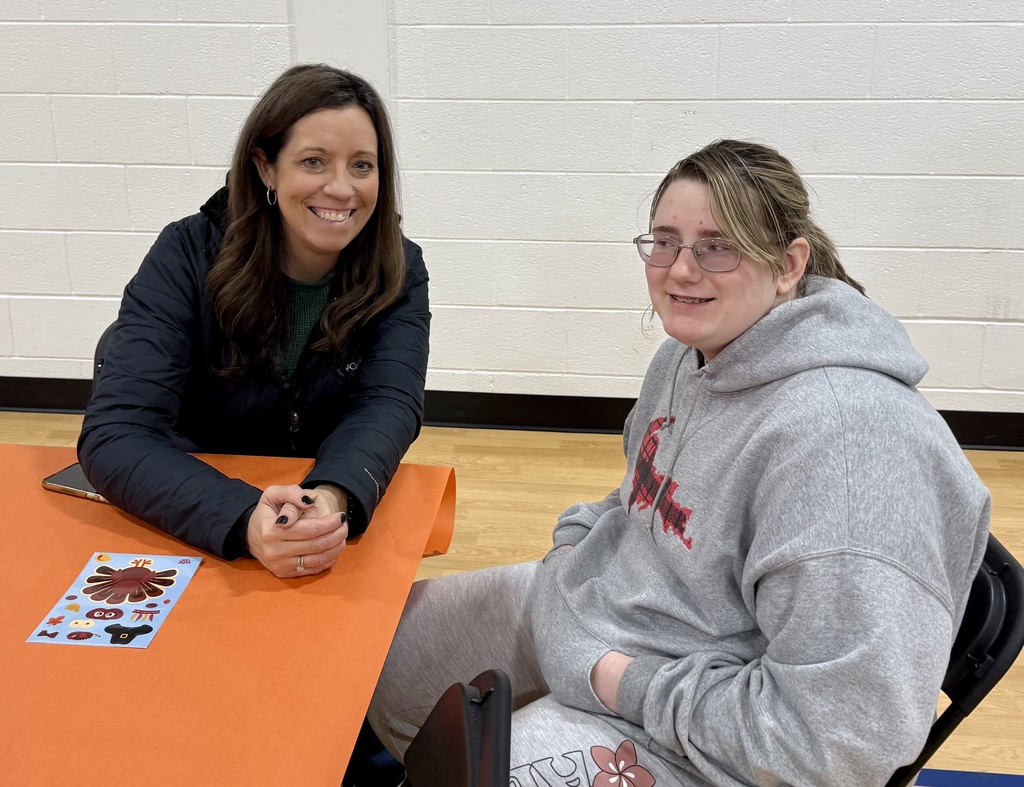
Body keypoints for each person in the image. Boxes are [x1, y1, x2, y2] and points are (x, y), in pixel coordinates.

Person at [365, 139, 991, 786]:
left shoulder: (850, 449)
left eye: (717, 245)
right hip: (603, 614)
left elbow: (834, 742)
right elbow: (641, 493)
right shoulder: (693, 351)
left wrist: (619, 683)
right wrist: (576, 545)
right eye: (664, 241)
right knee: (378, 663)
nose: (681, 270)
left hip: (693, 732)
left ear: (788, 264)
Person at [78, 64, 430, 580]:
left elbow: (388, 402)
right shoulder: (185, 253)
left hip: (317, 514)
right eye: (314, 161)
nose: (341, 188)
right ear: (266, 168)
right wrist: (245, 520)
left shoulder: (399, 266)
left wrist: (330, 498)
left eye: (362, 165)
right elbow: (116, 434)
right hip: (195, 510)